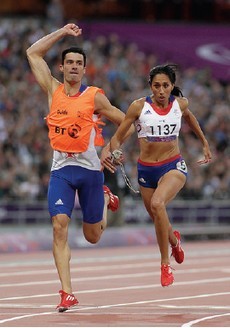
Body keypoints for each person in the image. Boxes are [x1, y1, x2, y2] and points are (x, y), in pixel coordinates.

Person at [26, 23, 133, 312]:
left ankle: (107, 197)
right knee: (59, 227)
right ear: (61, 67)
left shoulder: (95, 96)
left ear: (85, 70)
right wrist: (62, 32)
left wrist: (112, 149)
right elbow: (33, 53)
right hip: (61, 171)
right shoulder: (53, 89)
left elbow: (127, 122)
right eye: (69, 63)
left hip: (90, 173)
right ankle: (67, 292)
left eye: (79, 64)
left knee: (92, 236)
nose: (74, 67)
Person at [102, 64, 212, 287]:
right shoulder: (138, 107)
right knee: (157, 216)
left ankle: (164, 264)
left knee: (158, 204)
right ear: (150, 86)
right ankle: (174, 241)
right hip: (146, 170)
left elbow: (189, 118)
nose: (161, 91)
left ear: (172, 86)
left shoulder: (180, 104)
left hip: (173, 166)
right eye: (156, 86)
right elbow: (118, 136)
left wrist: (204, 142)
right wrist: (114, 151)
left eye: (165, 86)